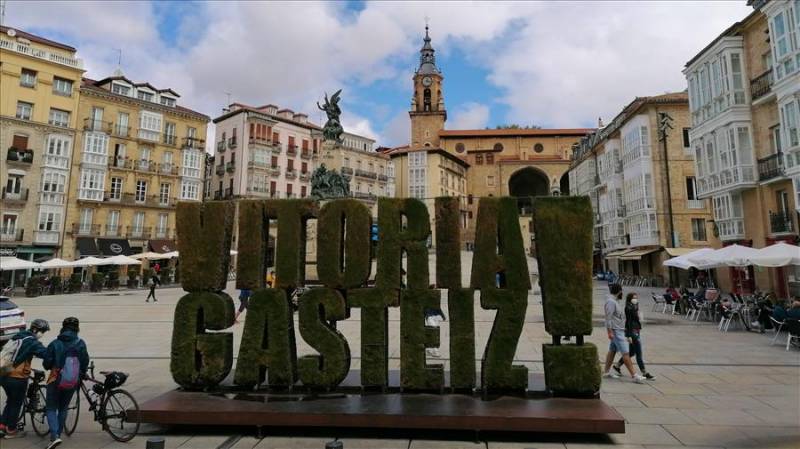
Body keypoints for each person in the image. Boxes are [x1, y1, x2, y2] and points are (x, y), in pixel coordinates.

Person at [43, 317, 89, 449]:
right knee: (63, 407)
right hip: (72, 380)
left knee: (51, 407)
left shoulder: (55, 343)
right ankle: (58, 433)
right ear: (77, 328)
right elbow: (85, 361)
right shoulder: (80, 343)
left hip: (55, 378)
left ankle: (54, 436)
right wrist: (81, 373)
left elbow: (46, 364)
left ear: (63, 328)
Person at [0, 319, 50, 438]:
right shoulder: (32, 342)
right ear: (35, 329)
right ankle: (11, 430)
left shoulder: (18, 336)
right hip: (17, 377)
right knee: (16, 402)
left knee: (11, 400)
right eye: (42, 331)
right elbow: (45, 354)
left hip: (3, 373)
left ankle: (2, 426)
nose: (42, 334)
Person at [603, 283, 645, 383]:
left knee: (612, 350)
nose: (623, 293)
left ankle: (606, 372)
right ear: (619, 291)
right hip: (616, 331)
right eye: (622, 291)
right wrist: (609, 332)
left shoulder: (615, 301)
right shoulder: (611, 302)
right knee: (625, 353)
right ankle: (634, 375)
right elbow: (608, 318)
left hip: (618, 330)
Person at [612, 293, 655, 380]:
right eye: (633, 298)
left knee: (631, 352)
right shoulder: (629, 308)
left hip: (636, 330)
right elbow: (628, 322)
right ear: (630, 299)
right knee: (639, 353)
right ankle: (644, 372)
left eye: (636, 298)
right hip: (633, 332)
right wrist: (628, 335)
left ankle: (617, 365)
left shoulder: (634, 307)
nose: (635, 299)